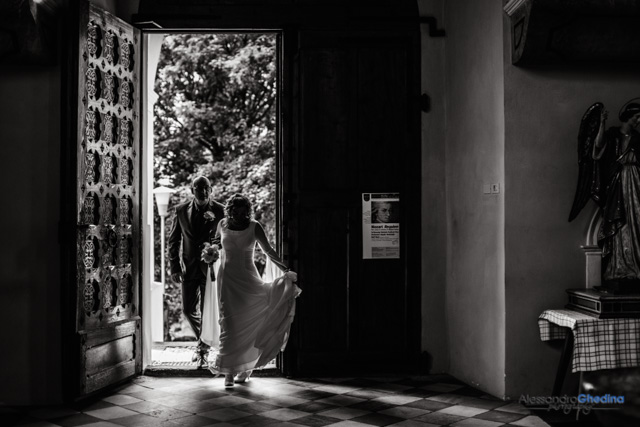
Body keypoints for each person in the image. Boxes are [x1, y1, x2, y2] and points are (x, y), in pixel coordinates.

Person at [201, 194, 301, 387]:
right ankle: (228, 372)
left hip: (248, 278)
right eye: (235, 210)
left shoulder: (254, 226)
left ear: (247, 210)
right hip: (227, 279)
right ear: (230, 209)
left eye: (242, 210)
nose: (239, 214)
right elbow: (215, 243)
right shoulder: (222, 224)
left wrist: (286, 270)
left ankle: (246, 367)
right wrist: (210, 252)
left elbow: (268, 251)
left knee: (249, 319)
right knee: (228, 322)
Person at [168, 176, 225, 366]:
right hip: (189, 268)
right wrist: (175, 266)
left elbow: (224, 237)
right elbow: (173, 241)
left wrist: (215, 249)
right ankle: (204, 342)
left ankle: (202, 349)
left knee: (206, 310)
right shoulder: (181, 210)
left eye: (206, 188)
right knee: (187, 309)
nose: (202, 192)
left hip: (211, 269)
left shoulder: (220, 210)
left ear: (211, 189)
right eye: (198, 188)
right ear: (192, 190)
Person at [591, 101, 640, 292]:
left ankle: (636, 265)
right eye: (637, 117)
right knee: (622, 223)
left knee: (636, 221)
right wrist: (601, 124)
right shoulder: (612, 134)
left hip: (636, 182)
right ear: (628, 116)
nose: (639, 120)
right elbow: (598, 148)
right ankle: (620, 267)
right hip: (618, 184)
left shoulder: (638, 138)